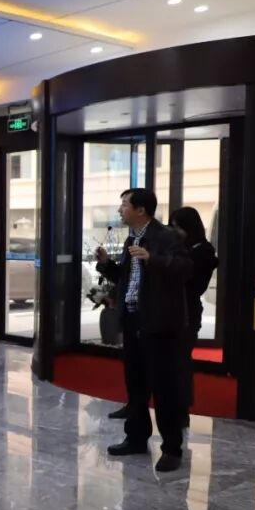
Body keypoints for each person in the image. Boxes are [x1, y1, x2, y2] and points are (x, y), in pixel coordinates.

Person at [95, 189, 192, 473]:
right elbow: (127, 279)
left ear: (141, 210)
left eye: (124, 205)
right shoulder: (132, 239)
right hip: (133, 320)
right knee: (136, 386)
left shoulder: (166, 236)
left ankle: (172, 449)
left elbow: (185, 269)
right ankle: (136, 438)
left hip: (159, 324)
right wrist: (106, 265)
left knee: (164, 388)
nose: (120, 210)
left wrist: (153, 258)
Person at [170, 206, 219, 428]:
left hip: (187, 313)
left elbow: (191, 283)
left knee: (181, 362)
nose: (174, 232)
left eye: (176, 227)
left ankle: (181, 411)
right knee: (175, 362)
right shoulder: (186, 248)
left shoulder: (203, 252)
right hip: (175, 310)